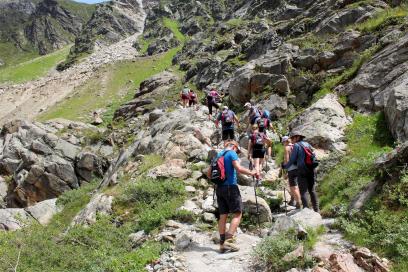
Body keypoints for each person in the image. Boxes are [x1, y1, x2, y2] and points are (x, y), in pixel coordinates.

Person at [207, 141, 257, 253]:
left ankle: (221, 244)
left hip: (219, 189)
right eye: (237, 151)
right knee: (238, 213)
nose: (237, 153)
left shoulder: (218, 155)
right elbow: (238, 168)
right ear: (234, 146)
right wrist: (252, 172)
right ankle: (228, 240)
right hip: (231, 187)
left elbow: (209, 174)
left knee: (223, 215)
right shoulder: (231, 153)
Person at [283, 132, 319, 212]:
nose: (291, 140)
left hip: (302, 170)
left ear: (297, 137)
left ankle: (306, 212)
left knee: (303, 191)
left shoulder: (296, 145)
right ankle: (317, 211)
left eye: (292, 138)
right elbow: (314, 155)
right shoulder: (307, 144)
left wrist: (285, 166)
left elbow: (292, 159)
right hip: (311, 169)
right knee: (312, 190)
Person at [282, 136, 301, 209]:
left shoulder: (287, 148)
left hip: (292, 169)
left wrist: (285, 170)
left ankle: (299, 203)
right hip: (300, 168)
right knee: (297, 185)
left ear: (285, 141)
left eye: (283, 142)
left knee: (293, 186)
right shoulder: (296, 146)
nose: (283, 144)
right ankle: (296, 200)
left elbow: (287, 161)